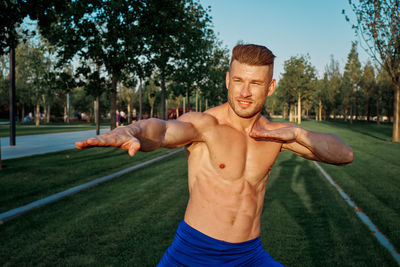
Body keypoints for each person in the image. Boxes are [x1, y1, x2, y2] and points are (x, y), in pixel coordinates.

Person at [76, 44, 353, 266]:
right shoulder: (206, 125)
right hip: (193, 254)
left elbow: (344, 154)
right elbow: (161, 131)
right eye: (239, 81)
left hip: (249, 256)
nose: (245, 92)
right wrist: (132, 130)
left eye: (255, 83)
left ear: (270, 87)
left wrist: (298, 134)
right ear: (227, 81)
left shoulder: (277, 134)